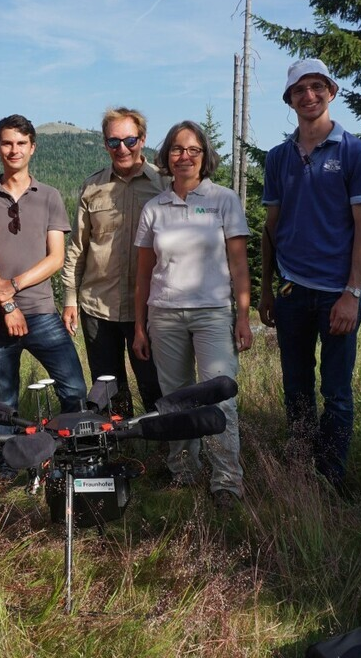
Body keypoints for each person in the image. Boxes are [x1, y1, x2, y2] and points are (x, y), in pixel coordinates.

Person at [258, 58, 361, 489]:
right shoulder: (278, 158)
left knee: (338, 394)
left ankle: (330, 478)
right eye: (299, 90)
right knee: (296, 389)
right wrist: (267, 289)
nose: (309, 95)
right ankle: (299, 470)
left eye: (316, 86)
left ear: (331, 91)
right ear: (289, 100)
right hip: (291, 291)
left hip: (337, 294)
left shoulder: (355, 152)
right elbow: (270, 228)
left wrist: (353, 292)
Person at [132, 120, 253, 508]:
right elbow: (143, 273)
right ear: (167, 156)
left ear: (205, 156)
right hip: (164, 315)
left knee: (221, 397)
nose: (185, 156)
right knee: (175, 398)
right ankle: (183, 470)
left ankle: (226, 481)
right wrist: (139, 325)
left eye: (193, 150)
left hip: (213, 313)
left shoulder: (223, 200)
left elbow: (238, 265)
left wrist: (243, 316)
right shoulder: (154, 207)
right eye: (177, 150)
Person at [0, 115, 86, 478]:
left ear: (33, 147)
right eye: (6, 143)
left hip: (41, 311)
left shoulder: (49, 196)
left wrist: (14, 286)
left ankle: (71, 452)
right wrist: (6, 305)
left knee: (75, 387)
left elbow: (55, 257)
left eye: (21, 143)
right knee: (4, 399)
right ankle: (9, 464)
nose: (14, 150)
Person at [61, 107, 166, 418]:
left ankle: (163, 454)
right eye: (113, 141)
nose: (122, 148)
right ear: (104, 143)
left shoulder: (163, 185)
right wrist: (69, 299)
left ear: (143, 140)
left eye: (130, 140)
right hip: (98, 306)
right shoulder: (93, 187)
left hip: (148, 306)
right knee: (107, 389)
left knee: (154, 384)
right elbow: (78, 247)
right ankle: (119, 452)